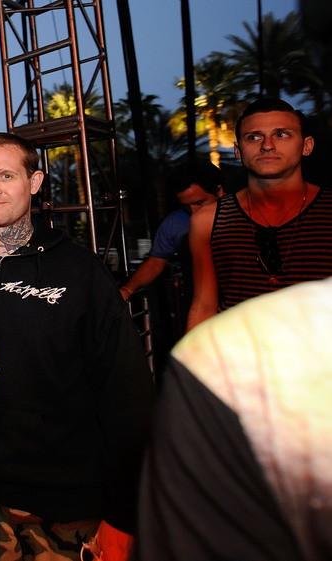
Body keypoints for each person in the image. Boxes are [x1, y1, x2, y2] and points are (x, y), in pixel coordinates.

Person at [0, 133, 155, 561]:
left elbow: (128, 396)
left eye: (6, 175)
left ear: (35, 181)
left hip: (68, 502)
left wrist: (126, 513)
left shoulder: (80, 271)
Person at [135, 277, 331, 561]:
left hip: (298, 366)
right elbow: (202, 300)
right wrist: (198, 374)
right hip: (238, 379)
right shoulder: (219, 357)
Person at [186, 97, 332, 331]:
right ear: (237, 150)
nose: (267, 145)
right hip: (237, 361)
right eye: (254, 137)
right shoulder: (208, 220)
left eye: (281, 134)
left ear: (307, 146)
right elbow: (204, 305)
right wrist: (187, 365)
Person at [119, 160, 223, 304]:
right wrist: (128, 289)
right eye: (186, 206)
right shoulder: (174, 223)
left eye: (199, 203)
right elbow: (155, 263)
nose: (193, 211)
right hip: (200, 304)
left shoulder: (244, 215)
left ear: (219, 192)